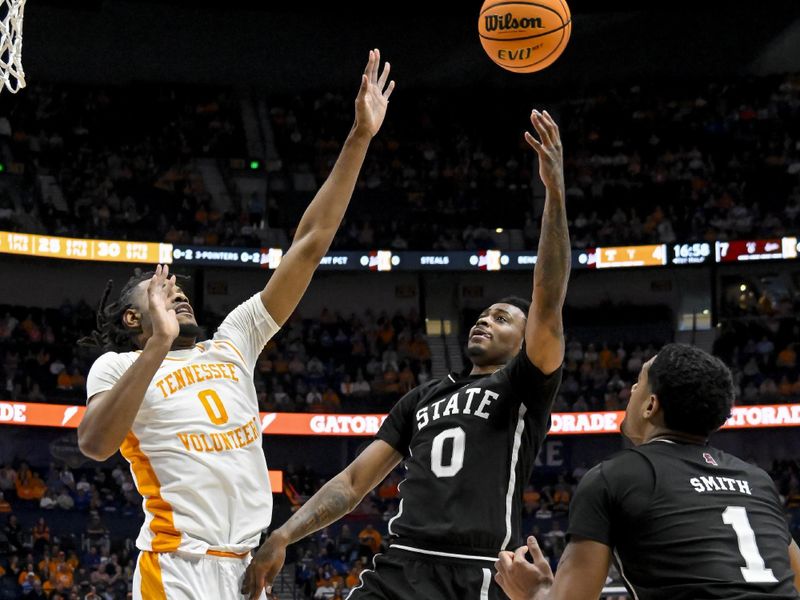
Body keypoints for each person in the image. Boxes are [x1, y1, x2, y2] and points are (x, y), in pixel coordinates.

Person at [77, 49, 395, 600]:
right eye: (158, 289)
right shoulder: (119, 364)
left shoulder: (234, 341)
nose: (174, 291)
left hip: (248, 571)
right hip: (177, 568)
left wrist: (359, 138)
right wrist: (158, 345)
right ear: (134, 316)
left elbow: (309, 244)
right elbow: (95, 444)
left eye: (177, 288)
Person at [242, 110, 570, 599]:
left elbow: (546, 299)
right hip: (401, 564)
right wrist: (284, 535)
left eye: (502, 319)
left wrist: (554, 193)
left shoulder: (524, 385)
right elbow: (354, 482)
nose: (484, 320)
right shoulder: (422, 398)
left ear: (526, 343)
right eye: (483, 314)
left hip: (475, 570)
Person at [494, 343, 800, 600]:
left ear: (650, 405)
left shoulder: (613, 477)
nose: (631, 389)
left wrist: (534, 591)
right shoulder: (757, 480)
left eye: (638, 382)